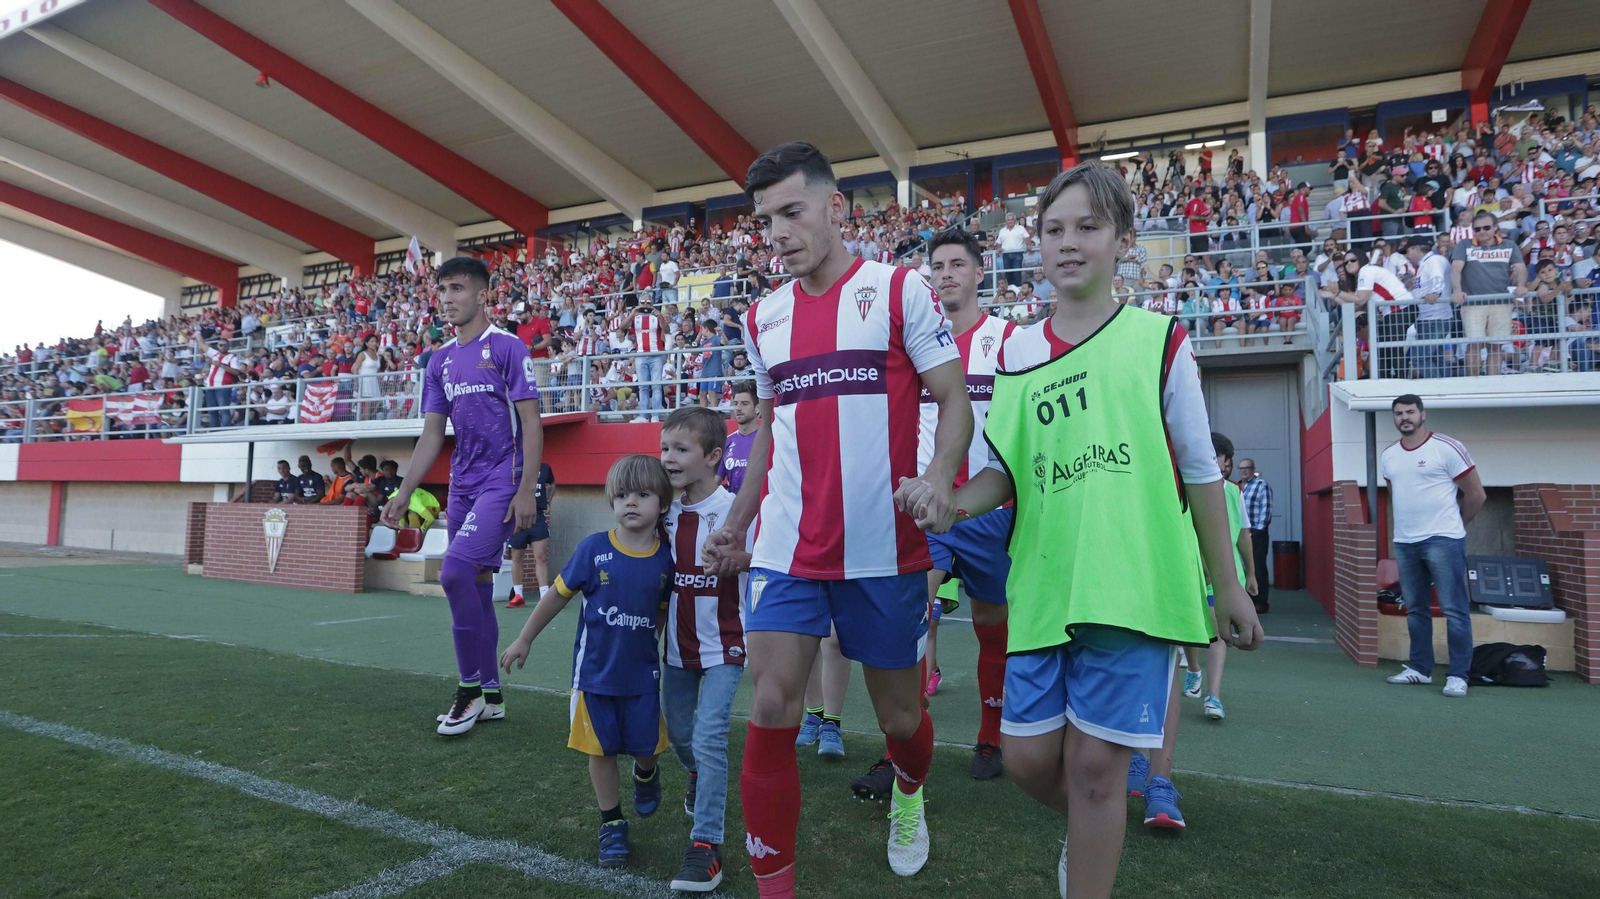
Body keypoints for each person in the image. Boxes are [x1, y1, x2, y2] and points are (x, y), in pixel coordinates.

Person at [899, 162, 1263, 899]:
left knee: (1097, 769)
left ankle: (1090, 863)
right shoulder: (1014, 352)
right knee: (1028, 759)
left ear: (1123, 240)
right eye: (1053, 229)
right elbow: (1007, 471)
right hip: (1044, 586)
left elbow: (1201, 473)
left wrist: (1227, 585)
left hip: (1132, 586)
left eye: (1088, 227)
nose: (1068, 242)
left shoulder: (1161, 340)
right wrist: (951, 503)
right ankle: (1093, 833)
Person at [700, 142, 973, 894]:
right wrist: (740, 522)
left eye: (792, 212)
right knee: (770, 702)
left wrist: (937, 478)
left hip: (884, 549)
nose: (778, 233)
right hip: (787, 545)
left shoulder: (898, 291)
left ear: (836, 207)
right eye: (766, 220)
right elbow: (770, 430)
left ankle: (909, 791)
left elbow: (953, 398)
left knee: (900, 721)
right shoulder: (762, 316)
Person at [382, 256, 544, 737]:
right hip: (462, 484)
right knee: (476, 585)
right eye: (442, 290)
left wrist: (527, 489)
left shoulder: (508, 347)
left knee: (453, 572)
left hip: (503, 478)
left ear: (482, 295)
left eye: (457, 288)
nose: (447, 299)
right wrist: (404, 491)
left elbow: (531, 422)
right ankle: (491, 697)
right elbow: (432, 433)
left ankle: (468, 689)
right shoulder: (439, 360)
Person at [498, 454, 675, 870]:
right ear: (612, 501)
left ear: (663, 504)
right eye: (622, 495)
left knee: (647, 747)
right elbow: (556, 596)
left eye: (643, 494)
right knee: (601, 750)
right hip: (594, 676)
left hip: (643, 677)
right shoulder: (594, 550)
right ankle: (611, 823)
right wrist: (525, 638)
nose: (631, 502)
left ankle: (646, 774)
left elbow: (662, 612)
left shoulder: (667, 561)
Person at [906, 228, 1016, 780]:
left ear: (979, 271)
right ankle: (904, 747)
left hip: (989, 511)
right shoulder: (915, 342)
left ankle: (990, 737)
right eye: (938, 266)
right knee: (911, 618)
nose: (946, 274)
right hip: (927, 511)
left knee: (991, 625)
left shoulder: (1010, 339)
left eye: (957, 264)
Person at [659, 407, 754, 892]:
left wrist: (743, 560)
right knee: (680, 734)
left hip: (726, 646)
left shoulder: (737, 509)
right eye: (664, 448)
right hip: (677, 648)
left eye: (681, 449)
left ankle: (706, 846)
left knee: (710, 734)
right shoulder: (663, 512)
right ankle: (695, 774)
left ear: (714, 456)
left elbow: (767, 559)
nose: (668, 458)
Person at [1380, 395, 1486, 698]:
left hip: (1444, 540)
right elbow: (1395, 493)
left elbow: (1476, 495)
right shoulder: (1389, 455)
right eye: (1398, 413)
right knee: (1415, 609)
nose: (1404, 417)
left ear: (1423, 414)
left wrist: (1455, 527)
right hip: (1406, 542)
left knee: (1454, 610)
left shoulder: (1446, 447)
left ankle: (1458, 676)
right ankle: (1420, 669)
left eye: (1410, 412)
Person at [1452, 210, 1528, 377]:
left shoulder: (1509, 245)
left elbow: (1521, 268)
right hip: (1472, 304)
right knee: (1474, 345)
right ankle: (1474, 382)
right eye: (1477, 229)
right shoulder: (1464, 244)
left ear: (1495, 228)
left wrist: (1521, 286)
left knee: (1496, 346)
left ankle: (1492, 382)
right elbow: (1456, 268)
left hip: (1501, 303)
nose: (1481, 232)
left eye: (1486, 227)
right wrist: (1457, 290)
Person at [505, 461, 556, 609]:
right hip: (518, 517)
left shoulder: (544, 468)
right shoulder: (513, 467)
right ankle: (518, 596)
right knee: (517, 557)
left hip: (538, 517)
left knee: (541, 557)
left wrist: (548, 501)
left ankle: (544, 596)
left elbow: (552, 483)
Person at [1237, 456, 1273, 614]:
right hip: (1240, 533)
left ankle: (1260, 601)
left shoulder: (1261, 485)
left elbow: (1266, 509)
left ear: (1253, 470)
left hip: (1257, 533)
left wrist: (1257, 531)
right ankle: (1246, 600)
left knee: (1257, 566)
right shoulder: (1237, 486)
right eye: (1241, 468)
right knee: (1242, 566)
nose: (1243, 470)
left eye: (1247, 468)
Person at [721, 380, 758, 493]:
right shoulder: (726, 442)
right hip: (733, 503)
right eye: (736, 403)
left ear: (757, 408)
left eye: (744, 404)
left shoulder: (769, 441)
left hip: (763, 503)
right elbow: (714, 481)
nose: (738, 408)